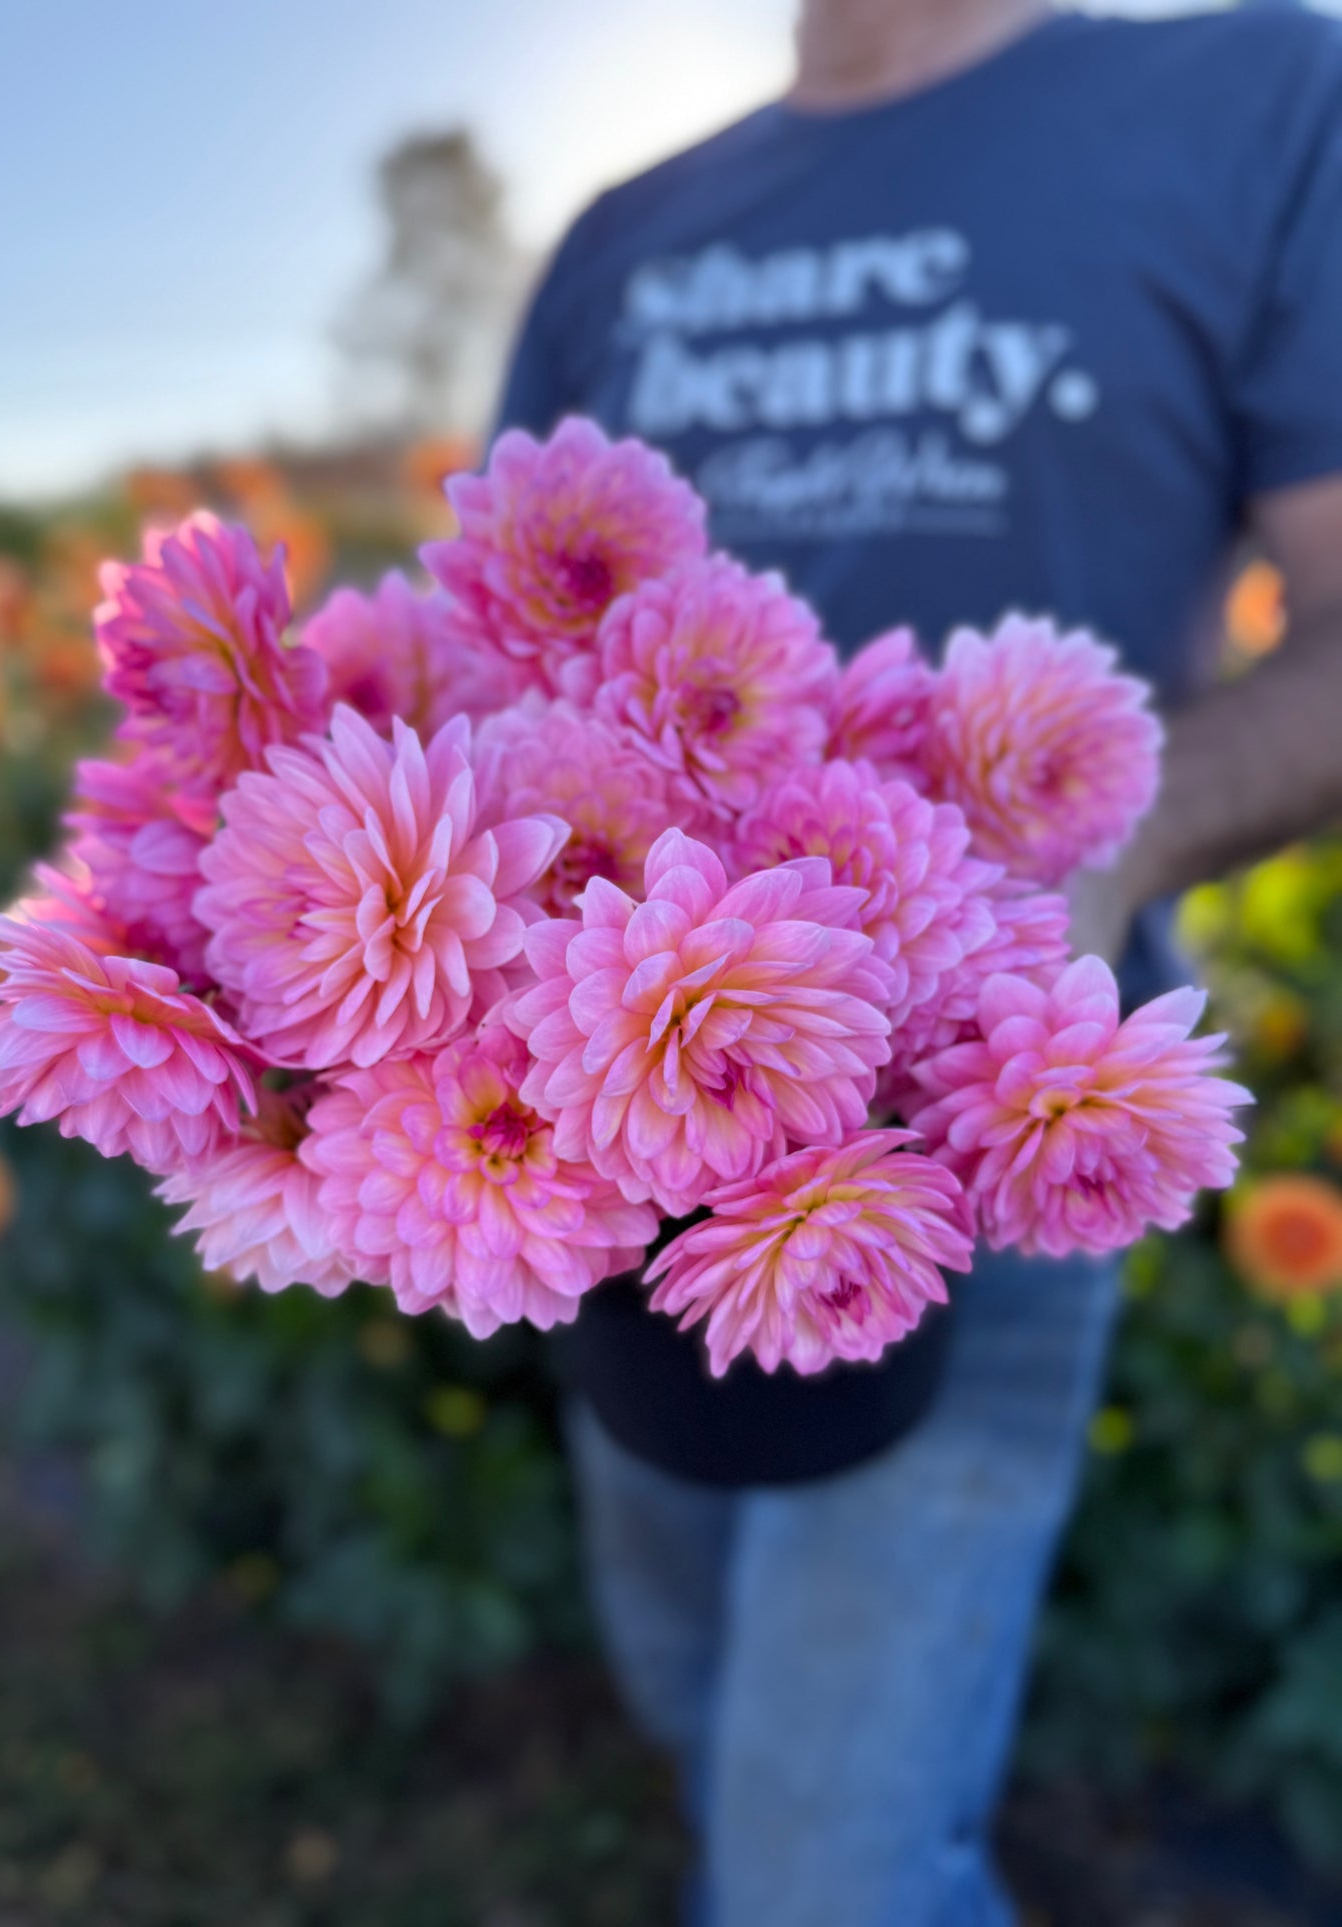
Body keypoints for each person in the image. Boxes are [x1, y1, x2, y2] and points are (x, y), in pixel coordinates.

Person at [493, 2, 1342, 1920]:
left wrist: (1108, 845)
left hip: (985, 1106)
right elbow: (500, 649)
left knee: (825, 1878)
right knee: (678, 1649)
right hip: (596, 1115)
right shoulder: (627, 230)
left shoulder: (1251, 92)